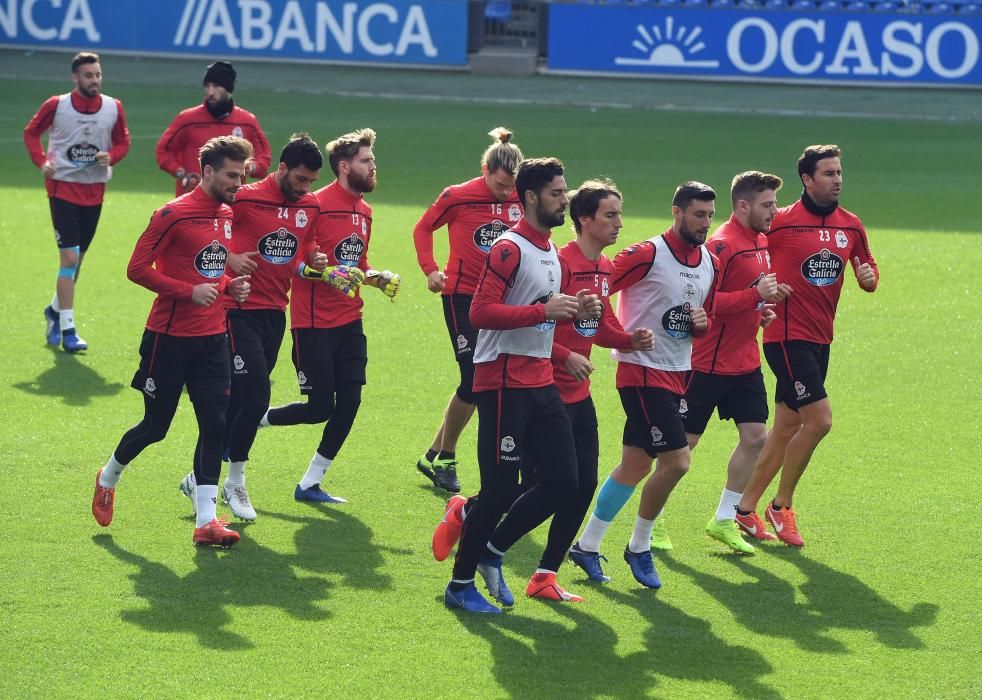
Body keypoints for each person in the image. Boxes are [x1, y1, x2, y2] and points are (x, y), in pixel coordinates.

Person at [436, 180, 654, 602]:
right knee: (507, 489)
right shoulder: (513, 248)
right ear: (533, 197)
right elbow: (481, 312)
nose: (564, 199)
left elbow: (576, 320)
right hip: (507, 381)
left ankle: (528, 567)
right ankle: (463, 572)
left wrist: (622, 336)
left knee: (571, 483)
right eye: (557, 192)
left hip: (548, 385)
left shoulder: (559, 255)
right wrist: (560, 344)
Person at [176, 134, 364, 521]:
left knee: (239, 403)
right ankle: (234, 481)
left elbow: (300, 252)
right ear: (281, 169)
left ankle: (201, 475)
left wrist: (316, 259)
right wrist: (229, 256)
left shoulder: (308, 206)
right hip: (236, 308)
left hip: (276, 312)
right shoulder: (243, 197)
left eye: (311, 181)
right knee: (257, 395)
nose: (306, 188)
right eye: (299, 179)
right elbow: (204, 229)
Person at [91, 136, 254, 547]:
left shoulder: (226, 214)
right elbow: (136, 268)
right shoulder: (171, 214)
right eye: (232, 175)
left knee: (215, 424)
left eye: (243, 174)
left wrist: (228, 284)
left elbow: (209, 268)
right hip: (168, 338)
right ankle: (108, 475)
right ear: (208, 172)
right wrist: (187, 291)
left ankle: (205, 522)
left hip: (213, 337)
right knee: (156, 427)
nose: (239, 181)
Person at [570, 182, 719, 589]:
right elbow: (598, 293)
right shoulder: (645, 254)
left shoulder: (710, 262)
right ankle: (640, 545)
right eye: (697, 215)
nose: (705, 223)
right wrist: (623, 339)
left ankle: (587, 544)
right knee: (678, 461)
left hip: (679, 372)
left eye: (709, 215)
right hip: (641, 372)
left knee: (636, 465)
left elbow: (699, 319)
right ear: (677, 212)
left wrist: (702, 326)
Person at [734, 145, 878, 547]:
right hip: (785, 337)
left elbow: (868, 270)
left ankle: (743, 511)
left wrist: (868, 278)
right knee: (820, 421)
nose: (837, 180)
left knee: (786, 427)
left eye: (839, 172)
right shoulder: (778, 223)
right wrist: (757, 292)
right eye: (829, 173)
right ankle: (781, 505)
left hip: (820, 339)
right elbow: (740, 252)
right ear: (807, 179)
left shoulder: (851, 225)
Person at [259, 128, 399, 504]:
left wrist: (375, 277)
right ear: (344, 166)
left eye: (373, 160)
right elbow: (291, 259)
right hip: (313, 324)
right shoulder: (313, 205)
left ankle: (309, 483)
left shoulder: (365, 212)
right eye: (366, 161)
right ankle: (253, 420)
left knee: (350, 402)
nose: (373, 167)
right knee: (319, 408)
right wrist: (320, 271)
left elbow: (356, 264)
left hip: (350, 321)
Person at [413, 128, 524, 494]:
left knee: (484, 379)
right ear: (484, 169)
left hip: (506, 300)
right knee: (475, 377)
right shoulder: (457, 196)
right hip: (461, 296)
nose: (506, 192)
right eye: (500, 183)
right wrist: (430, 269)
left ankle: (433, 453)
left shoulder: (523, 198)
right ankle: (446, 457)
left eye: (511, 185)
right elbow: (423, 227)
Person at [684, 171, 789, 555]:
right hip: (707, 362)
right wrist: (751, 296)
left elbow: (749, 299)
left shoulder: (761, 242)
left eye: (774, 204)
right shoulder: (720, 246)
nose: (774, 211)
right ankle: (654, 518)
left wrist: (761, 310)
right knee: (683, 447)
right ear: (743, 205)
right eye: (767, 204)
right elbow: (704, 305)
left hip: (744, 360)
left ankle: (724, 518)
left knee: (756, 437)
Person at [24, 51, 131, 353]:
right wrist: (41, 160)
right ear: (75, 77)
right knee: (69, 259)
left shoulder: (113, 107)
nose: (94, 80)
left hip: (94, 190)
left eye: (97, 75)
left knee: (77, 262)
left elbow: (123, 141)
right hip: (62, 189)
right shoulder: (56, 105)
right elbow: (31, 132)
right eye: (88, 75)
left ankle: (54, 311)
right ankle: (69, 329)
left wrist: (113, 156)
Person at [156, 60, 271, 197]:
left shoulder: (247, 122)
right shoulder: (187, 119)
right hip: (192, 200)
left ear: (228, 88)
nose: (210, 92)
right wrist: (181, 173)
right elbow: (163, 151)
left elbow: (264, 158)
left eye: (216, 86)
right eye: (207, 86)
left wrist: (250, 167)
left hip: (231, 203)